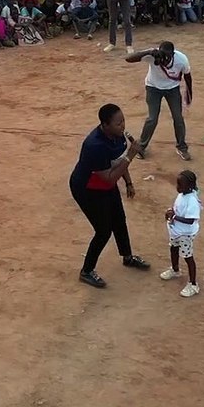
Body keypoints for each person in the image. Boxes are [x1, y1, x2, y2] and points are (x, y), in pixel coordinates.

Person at [69, 104, 149, 288]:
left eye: (123, 121)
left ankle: (127, 257)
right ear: (105, 125)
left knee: (119, 219)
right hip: (87, 189)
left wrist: (129, 182)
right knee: (104, 230)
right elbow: (110, 179)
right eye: (118, 123)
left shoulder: (119, 137)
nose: (122, 126)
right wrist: (131, 154)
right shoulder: (95, 145)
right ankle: (86, 271)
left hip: (104, 184)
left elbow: (118, 162)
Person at [126, 42, 193, 161]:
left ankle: (182, 147)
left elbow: (187, 76)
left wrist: (189, 94)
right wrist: (148, 52)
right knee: (152, 118)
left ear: (173, 54)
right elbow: (128, 59)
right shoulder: (153, 55)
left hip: (172, 89)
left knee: (178, 118)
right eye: (162, 57)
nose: (164, 60)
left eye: (167, 57)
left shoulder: (181, 59)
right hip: (153, 88)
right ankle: (141, 146)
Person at [160, 170, 201, 298]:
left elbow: (190, 220)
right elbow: (178, 208)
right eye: (177, 184)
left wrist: (175, 217)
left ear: (189, 185)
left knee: (188, 257)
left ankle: (193, 284)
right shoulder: (182, 194)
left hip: (185, 234)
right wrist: (171, 211)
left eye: (180, 185)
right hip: (176, 231)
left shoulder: (192, 201)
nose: (177, 187)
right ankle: (175, 269)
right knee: (173, 248)